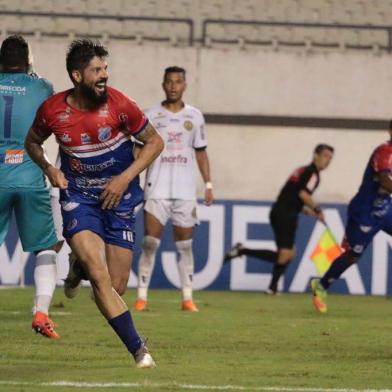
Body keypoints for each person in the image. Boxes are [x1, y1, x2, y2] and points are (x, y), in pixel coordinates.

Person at [24, 39, 164, 368]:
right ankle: (139, 352)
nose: (104, 75)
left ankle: (77, 267)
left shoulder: (120, 105)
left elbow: (155, 142)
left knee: (115, 286)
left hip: (120, 196)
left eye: (105, 69)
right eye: (96, 70)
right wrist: (49, 167)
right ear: (76, 75)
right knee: (101, 279)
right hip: (80, 197)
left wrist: (124, 177)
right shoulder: (53, 110)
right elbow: (32, 142)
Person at [133, 66, 214, 312]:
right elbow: (138, 150)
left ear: (184, 85)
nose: (173, 86)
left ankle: (187, 298)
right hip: (156, 188)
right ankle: (141, 297)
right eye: (169, 81)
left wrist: (208, 184)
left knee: (185, 246)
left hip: (185, 192)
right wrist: (132, 177)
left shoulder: (195, 116)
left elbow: (201, 153)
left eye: (178, 82)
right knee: (149, 243)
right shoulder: (150, 115)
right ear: (163, 84)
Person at [0, 35, 63, 339]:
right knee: (46, 247)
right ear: (27, 60)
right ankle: (41, 313)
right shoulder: (43, 87)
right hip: (29, 173)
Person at [224, 144, 334, 294]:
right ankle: (244, 253)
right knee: (285, 254)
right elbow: (303, 194)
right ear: (316, 155)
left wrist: (308, 211)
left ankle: (271, 286)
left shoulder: (303, 170)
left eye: (330, 158)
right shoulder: (313, 174)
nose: (328, 161)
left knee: (289, 253)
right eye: (325, 156)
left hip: (281, 210)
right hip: (285, 214)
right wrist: (317, 209)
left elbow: (292, 195)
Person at [311, 127, 392, 313]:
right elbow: (385, 181)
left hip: (386, 209)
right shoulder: (385, 151)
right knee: (352, 256)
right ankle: (321, 287)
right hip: (365, 211)